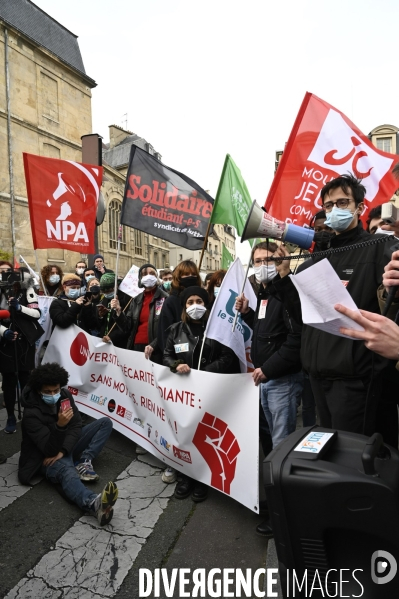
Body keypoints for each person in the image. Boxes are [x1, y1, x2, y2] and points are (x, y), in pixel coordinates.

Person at [272, 174, 397, 437]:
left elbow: (391, 300)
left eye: (343, 203)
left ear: (359, 207)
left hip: (356, 381)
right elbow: (302, 318)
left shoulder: (378, 248)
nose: (334, 210)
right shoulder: (316, 259)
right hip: (318, 379)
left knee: (354, 460)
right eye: (329, 205)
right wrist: (284, 278)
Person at [235, 242, 303, 537]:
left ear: (280, 261)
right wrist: (250, 314)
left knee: (282, 448)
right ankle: (278, 505)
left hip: (281, 381)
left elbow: (296, 339)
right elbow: (268, 333)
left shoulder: (288, 291)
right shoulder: (265, 293)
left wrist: (269, 369)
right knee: (272, 445)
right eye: (258, 260)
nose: (262, 264)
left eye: (268, 260)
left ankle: (285, 517)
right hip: (267, 380)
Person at [163, 286, 240, 502]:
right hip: (183, 392)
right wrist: (176, 365)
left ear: (206, 305)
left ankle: (202, 479)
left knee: (204, 436)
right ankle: (186, 476)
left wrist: (203, 373)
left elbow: (228, 357)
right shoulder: (175, 330)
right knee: (185, 433)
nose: (195, 305)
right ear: (184, 306)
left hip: (209, 390)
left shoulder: (218, 329)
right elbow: (167, 355)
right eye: (190, 302)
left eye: (199, 301)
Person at [18, 363, 118, 525]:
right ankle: (93, 503)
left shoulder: (64, 396)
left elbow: (76, 425)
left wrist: (64, 450)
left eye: (56, 390)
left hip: (63, 447)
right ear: (38, 390)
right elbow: (49, 448)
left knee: (105, 423)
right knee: (66, 470)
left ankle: (84, 460)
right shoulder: (31, 414)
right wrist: (60, 425)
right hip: (44, 456)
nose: (53, 394)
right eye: (48, 392)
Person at [0, 268, 42, 434]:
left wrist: (19, 308)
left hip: (25, 342)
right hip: (5, 343)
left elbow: (37, 313)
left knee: (26, 377)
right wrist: (4, 332)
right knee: (9, 381)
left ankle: (29, 414)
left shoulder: (27, 289)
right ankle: (10, 415)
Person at [96, 272, 129, 348]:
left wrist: (112, 337)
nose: (107, 293)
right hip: (104, 340)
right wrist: (100, 316)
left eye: (109, 290)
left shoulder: (125, 299)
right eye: (104, 291)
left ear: (116, 286)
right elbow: (99, 323)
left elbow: (127, 325)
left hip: (120, 343)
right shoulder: (104, 299)